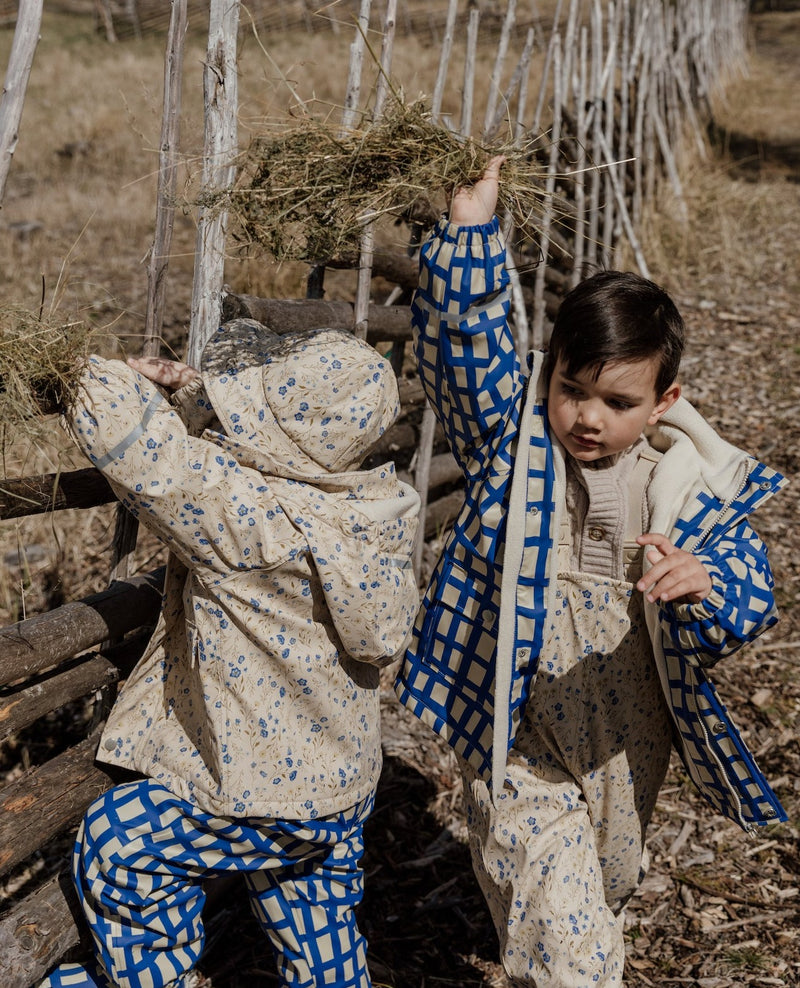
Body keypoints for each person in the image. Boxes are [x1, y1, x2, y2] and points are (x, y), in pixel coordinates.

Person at [394, 157, 788, 986]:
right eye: (572, 390)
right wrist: (470, 229)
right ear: (550, 375)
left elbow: (753, 590)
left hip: (626, 725)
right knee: (560, 926)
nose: (587, 417)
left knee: (604, 884)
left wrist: (705, 586)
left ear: (664, 401)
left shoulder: (684, 484)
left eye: (617, 403)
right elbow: (466, 352)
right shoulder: (516, 442)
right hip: (520, 711)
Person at [40, 320, 421, 988]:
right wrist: (195, 396)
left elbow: (157, 467)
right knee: (316, 911)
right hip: (339, 785)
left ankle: (148, 977)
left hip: (264, 792)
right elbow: (259, 452)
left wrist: (84, 375)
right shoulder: (374, 507)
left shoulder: (255, 523)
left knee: (120, 842)